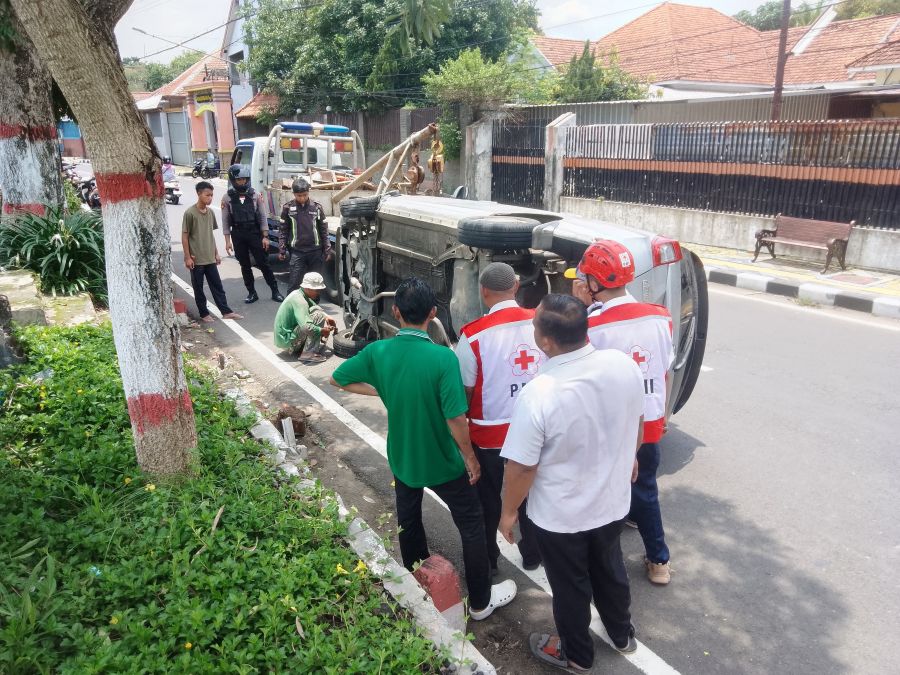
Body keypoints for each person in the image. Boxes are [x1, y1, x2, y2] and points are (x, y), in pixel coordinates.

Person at [330, 277, 517, 621]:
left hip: (404, 458)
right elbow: (456, 418)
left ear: (396, 312)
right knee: (472, 525)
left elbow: (337, 378)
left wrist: (383, 391)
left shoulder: (378, 351)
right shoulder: (442, 358)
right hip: (444, 462)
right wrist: (471, 457)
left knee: (409, 519)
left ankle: (420, 581)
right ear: (433, 313)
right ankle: (479, 601)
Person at [499, 295, 644, 670]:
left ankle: (577, 656)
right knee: (610, 570)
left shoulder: (540, 392)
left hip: (562, 518)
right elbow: (637, 420)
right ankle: (622, 634)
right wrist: (630, 456)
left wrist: (509, 511)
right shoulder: (621, 365)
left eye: (534, 326)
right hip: (612, 504)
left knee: (570, 588)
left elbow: (522, 468)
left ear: (545, 341)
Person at [567, 240, 675, 586]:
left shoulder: (592, 325)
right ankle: (655, 556)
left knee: (619, 487)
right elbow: (665, 373)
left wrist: (581, 306)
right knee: (646, 484)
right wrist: (665, 415)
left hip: (612, 426)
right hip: (652, 417)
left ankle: (656, 559)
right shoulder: (660, 317)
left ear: (594, 284)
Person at [454, 262, 542, 575]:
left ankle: (490, 560)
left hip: (490, 436)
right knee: (531, 493)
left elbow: (464, 390)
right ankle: (533, 554)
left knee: (488, 500)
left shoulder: (472, 336)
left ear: (484, 292)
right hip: (534, 429)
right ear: (516, 287)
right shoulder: (540, 322)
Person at [221, 164, 284, 304]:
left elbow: (262, 216)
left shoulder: (255, 195)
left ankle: (275, 291)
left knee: (264, 263)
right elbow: (225, 220)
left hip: (254, 233)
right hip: (238, 234)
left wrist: (265, 236)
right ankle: (251, 293)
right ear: (233, 180)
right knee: (245, 265)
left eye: (244, 179)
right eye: (238, 180)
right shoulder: (227, 197)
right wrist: (227, 241)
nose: (242, 182)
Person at [181, 181, 242, 323]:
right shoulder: (190, 213)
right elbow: (184, 236)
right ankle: (204, 313)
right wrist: (187, 257)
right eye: (207, 195)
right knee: (198, 288)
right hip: (196, 259)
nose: (210, 198)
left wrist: (216, 253)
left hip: (209, 257)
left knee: (217, 286)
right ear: (199, 194)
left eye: (212, 195)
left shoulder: (210, 213)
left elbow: (210, 234)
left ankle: (226, 311)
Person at [279, 178, 331, 293]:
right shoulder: (287, 208)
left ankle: (313, 309)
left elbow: (324, 230)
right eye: (299, 195)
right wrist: (281, 249)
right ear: (294, 194)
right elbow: (283, 230)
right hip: (297, 252)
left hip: (315, 252)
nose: (302, 198)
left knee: (315, 286)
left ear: (308, 193)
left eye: (304, 195)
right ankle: (292, 309)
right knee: (294, 284)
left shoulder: (317, 207)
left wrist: (327, 249)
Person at [273, 272, 336, 364]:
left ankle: (305, 346)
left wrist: (327, 317)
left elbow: (315, 306)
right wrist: (322, 331)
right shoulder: (300, 301)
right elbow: (307, 327)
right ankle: (308, 353)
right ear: (307, 288)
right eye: (316, 290)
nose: (318, 293)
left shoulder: (298, 293)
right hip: (287, 341)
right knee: (318, 315)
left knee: (318, 311)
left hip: (284, 338)